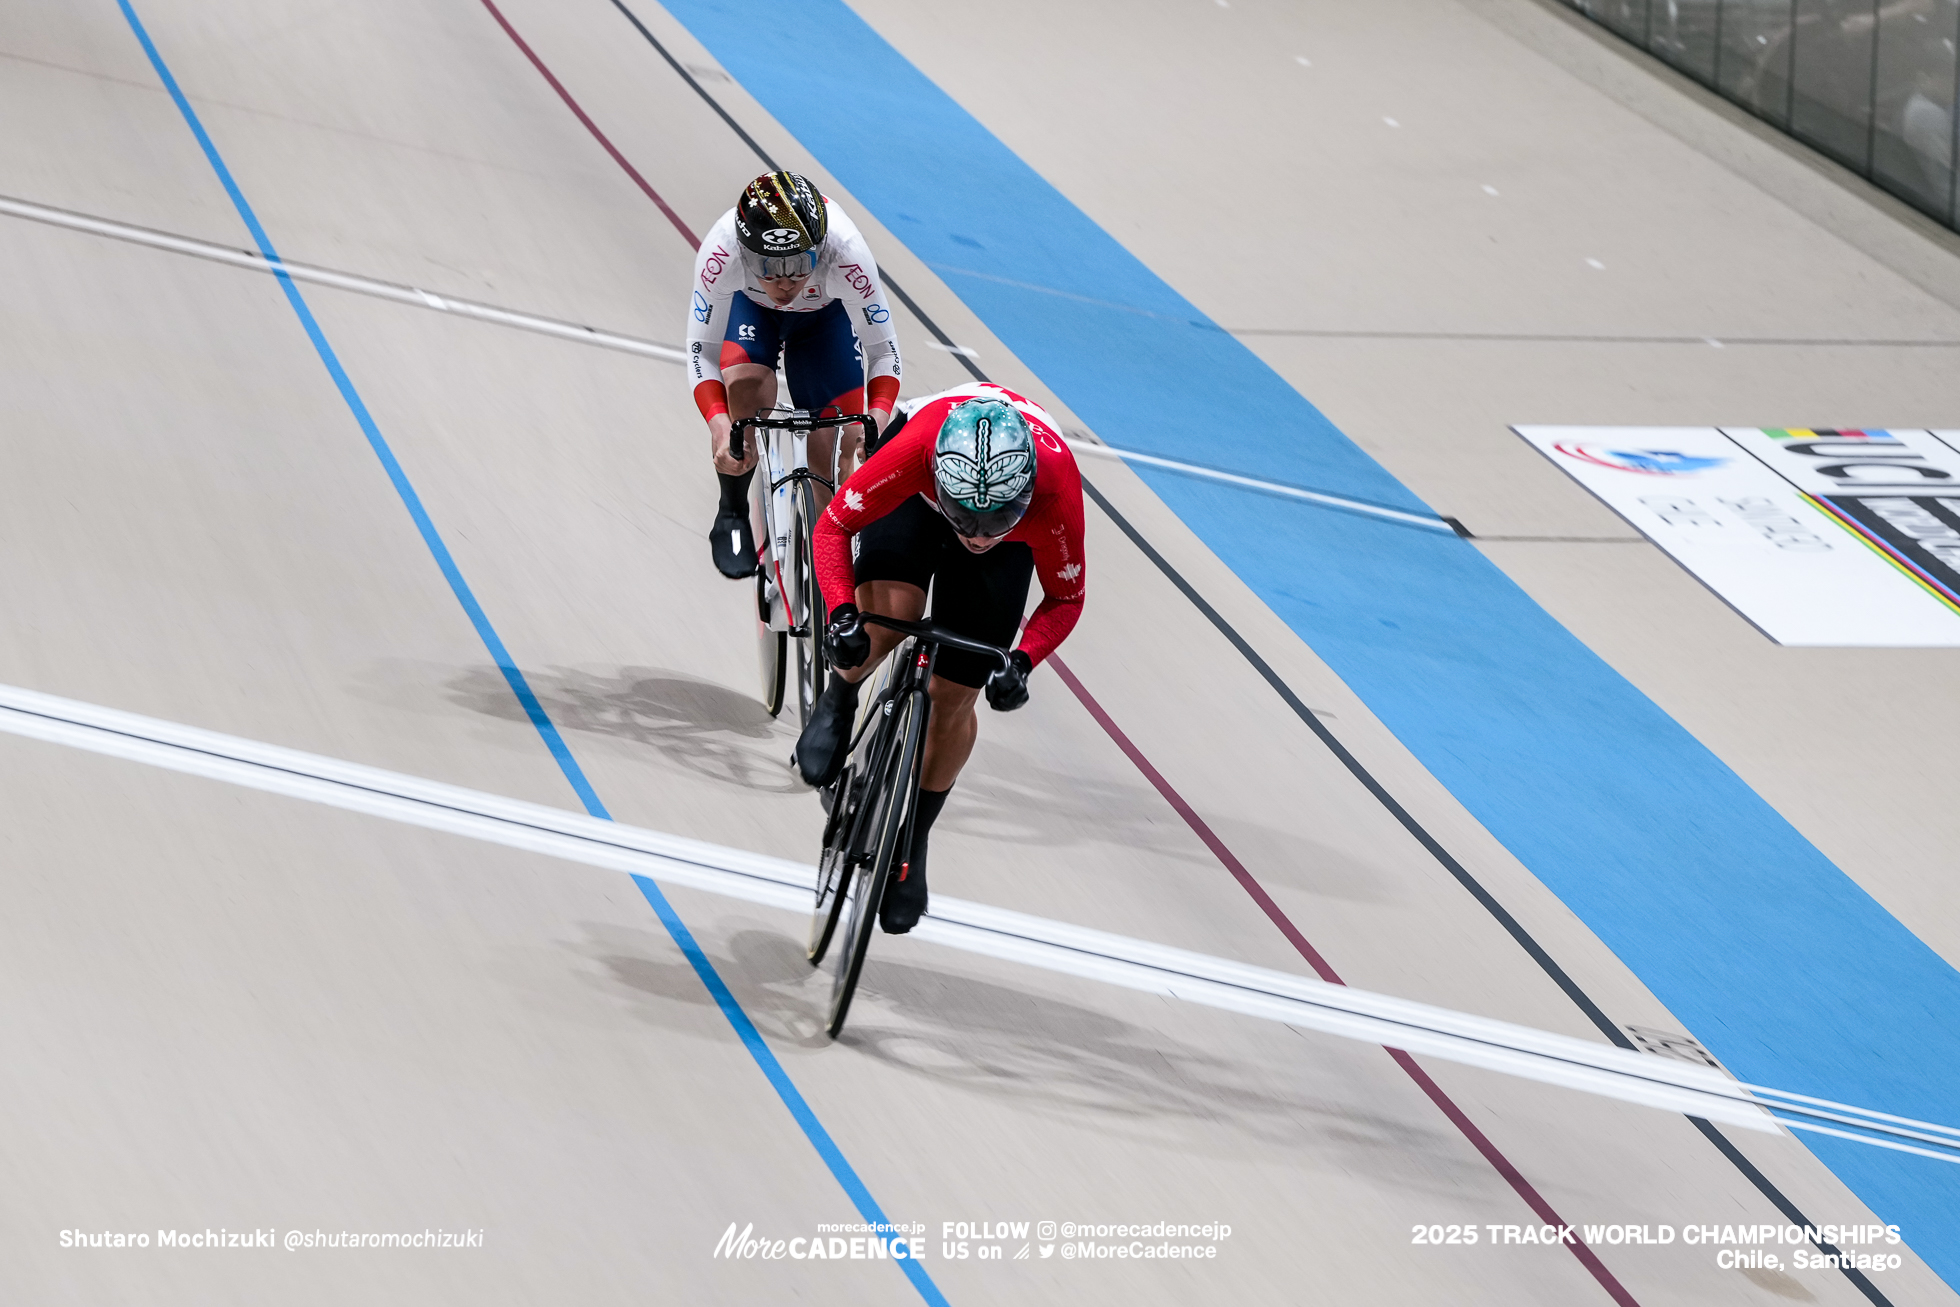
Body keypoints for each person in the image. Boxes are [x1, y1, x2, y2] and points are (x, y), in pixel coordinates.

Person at [793, 383, 1086, 934]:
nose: (976, 535)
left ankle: (915, 837)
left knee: (954, 694)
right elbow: (832, 525)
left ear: (1023, 498)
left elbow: (1066, 597)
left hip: (1004, 530)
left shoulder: (1055, 491)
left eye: (993, 519)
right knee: (885, 618)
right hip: (917, 500)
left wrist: (1022, 661)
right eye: (966, 518)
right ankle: (839, 697)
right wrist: (840, 614)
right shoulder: (918, 450)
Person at [686, 170, 904, 578]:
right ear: (745, 254)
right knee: (745, 401)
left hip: (824, 320)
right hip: (753, 314)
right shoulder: (722, 252)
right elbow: (703, 350)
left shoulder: (847, 252)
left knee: (842, 442)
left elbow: (883, 349)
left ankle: (826, 568)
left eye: (799, 264)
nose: (784, 281)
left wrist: (877, 417)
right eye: (767, 267)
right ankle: (731, 508)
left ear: (820, 251)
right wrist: (719, 426)